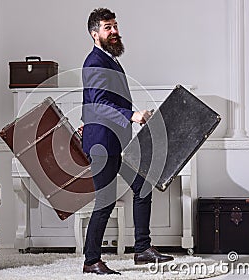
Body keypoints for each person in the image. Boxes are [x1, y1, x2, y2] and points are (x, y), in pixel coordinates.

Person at [80, 8, 174, 275]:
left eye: (115, 26)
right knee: (106, 200)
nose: (114, 31)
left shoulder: (110, 59)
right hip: (102, 144)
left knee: (142, 185)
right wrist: (132, 115)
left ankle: (142, 249)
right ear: (94, 33)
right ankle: (91, 261)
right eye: (107, 27)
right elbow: (98, 104)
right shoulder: (94, 62)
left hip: (118, 142)